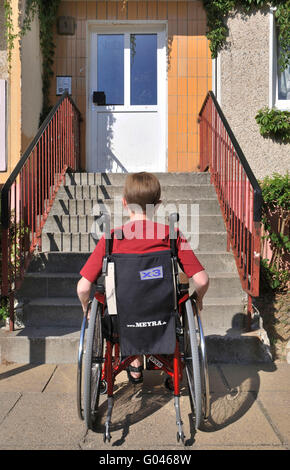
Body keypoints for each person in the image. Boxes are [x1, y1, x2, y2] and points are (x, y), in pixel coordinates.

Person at [77, 172, 209, 384]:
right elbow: (201, 280)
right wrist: (198, 300)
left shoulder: (111, 238)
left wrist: (86, 308)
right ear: (158, 205)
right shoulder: (171, 235)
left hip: (123, 318)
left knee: (117, 305)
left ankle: (134, 363)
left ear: (124, 202)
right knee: (170, 301)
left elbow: (83, 288)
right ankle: (164, 361)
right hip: (161, 316)